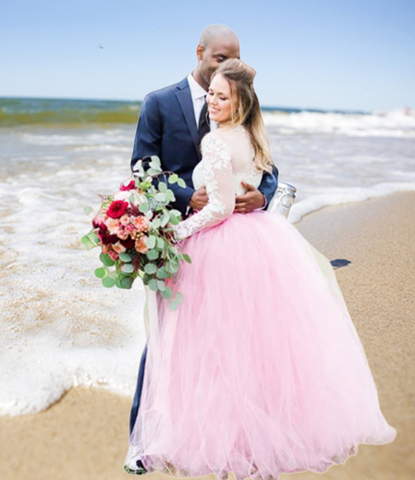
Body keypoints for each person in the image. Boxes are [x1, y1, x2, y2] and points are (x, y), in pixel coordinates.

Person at [124, 58, 397, 479]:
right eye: (211, 93)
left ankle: (224, 444)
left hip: (219, 245)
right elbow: (150, 168)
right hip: (258, 241)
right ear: (200, 54)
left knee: (213, 348)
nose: (212, 102)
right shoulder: (251, 135)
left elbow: (219, 206)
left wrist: (176, 234)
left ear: (239, 101)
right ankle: (255, 442)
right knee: (252, 347)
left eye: (221, 96)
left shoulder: (217, 141)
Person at [127, 24, 279, 443]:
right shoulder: (159, 102)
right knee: (165, 336)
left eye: (235, 59)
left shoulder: (240, 105)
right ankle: (144, 442)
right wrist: (184, 196)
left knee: (227, 337)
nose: (228, 65)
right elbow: (142, 170)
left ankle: (214, 436)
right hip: (178, 234)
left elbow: (266, 165)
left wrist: (260, 197)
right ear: (199, 52)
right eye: (219, 58)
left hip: (233, 245)